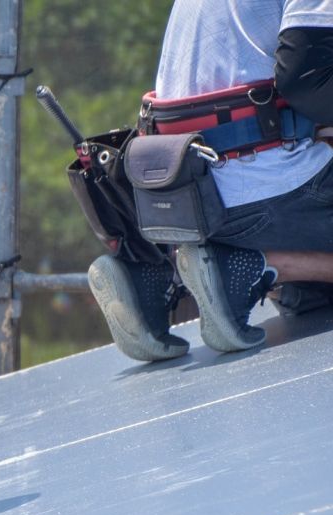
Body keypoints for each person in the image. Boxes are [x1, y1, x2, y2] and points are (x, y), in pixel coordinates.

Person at [88, 0, 333, 362]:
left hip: (184, 197)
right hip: (265, 193)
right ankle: (254, 267)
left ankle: (157, 279)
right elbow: (305, 80)